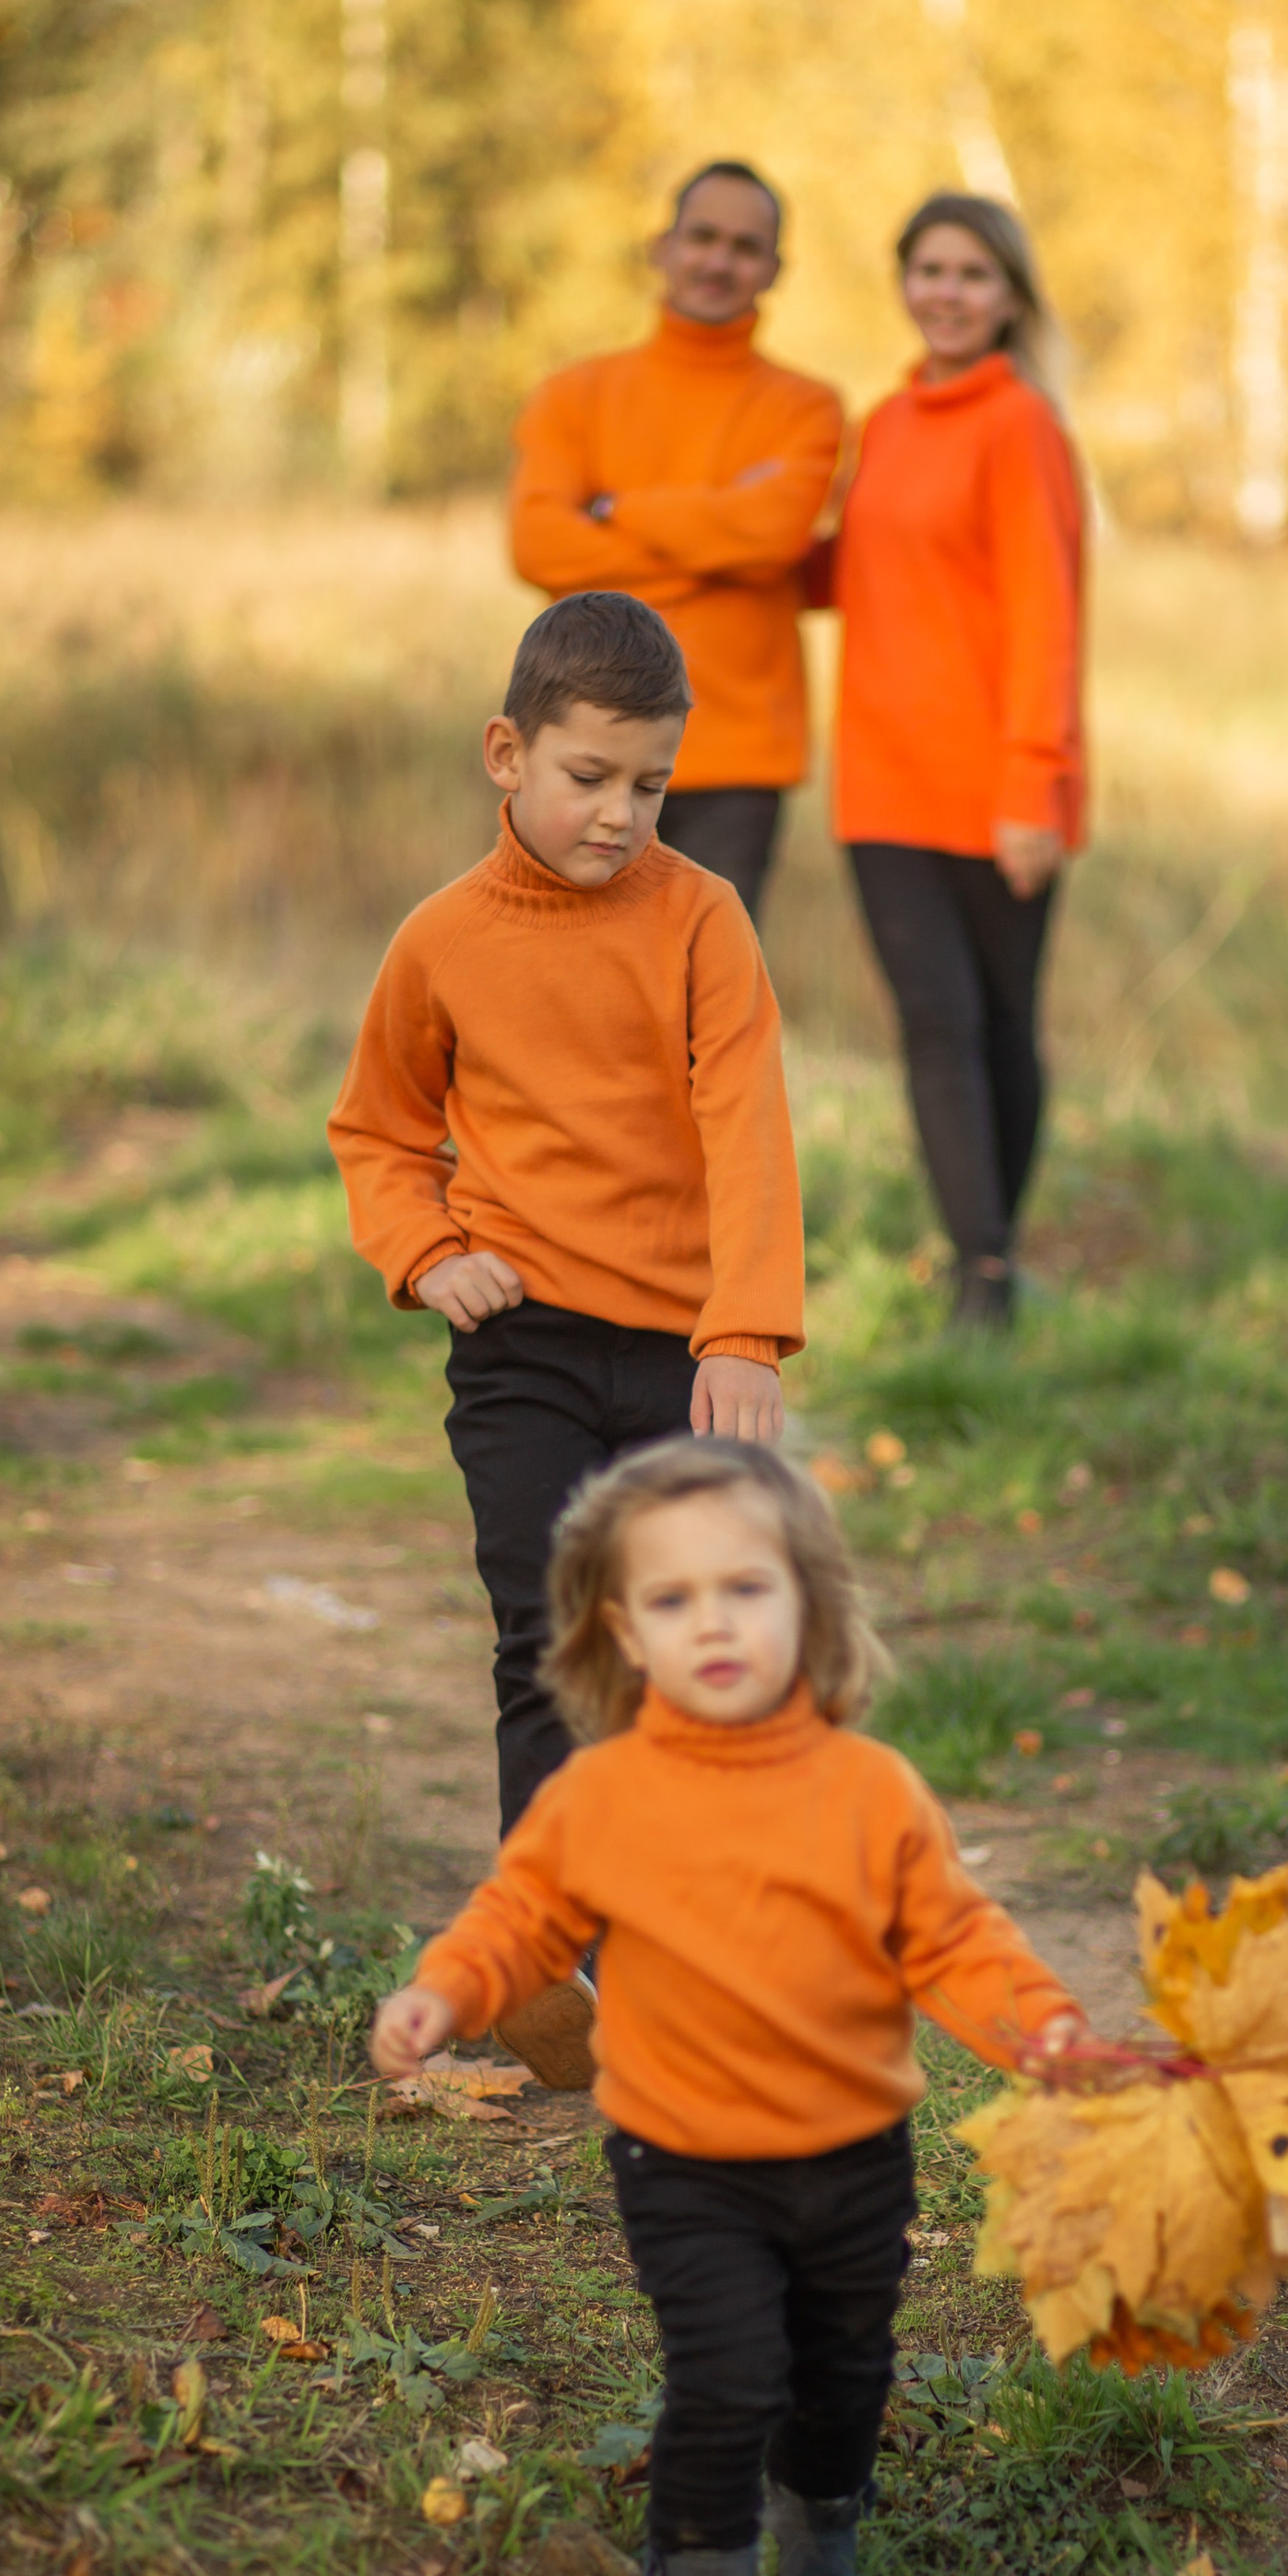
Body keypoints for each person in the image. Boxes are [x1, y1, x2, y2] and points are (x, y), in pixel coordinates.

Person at [369, 1438, 1086, 2576]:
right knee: (726, 2373)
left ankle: (824, 2544)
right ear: (626, 1634)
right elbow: (520, 1921)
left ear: (807, 1602)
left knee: (840, 2375)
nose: (714, 1622)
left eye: (745, 1589)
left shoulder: (871, 1793)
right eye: (673, 1597)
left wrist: (1049, 2041)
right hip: (685, 2157)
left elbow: (961, 1944)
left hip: (854, 2155)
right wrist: (448, 1989)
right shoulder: (605, 1795)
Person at [329, 592, 803, 2089]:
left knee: (682, 1654)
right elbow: (379, 1130)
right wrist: (428, 1253)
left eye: (650, 784)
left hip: (676, 1351)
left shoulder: (701, 920)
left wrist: (745, 1332)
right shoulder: (443, 943)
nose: (618, 815)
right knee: (544, 1639)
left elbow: (748, 1131)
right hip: (523, 1344)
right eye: (588, 777)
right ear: (506, 754)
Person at [829, 193, 1086, 1327]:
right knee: (934, 1023)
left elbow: (1047, 615)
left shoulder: (1020, 424)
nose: (947, 292)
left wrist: (1034, 781)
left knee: (998, 1027)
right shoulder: (883, 423)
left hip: (996, 788)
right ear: (903, 283)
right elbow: (850, 571)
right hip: (881, 782)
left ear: (1011, 300)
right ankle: (982, 1274)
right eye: (929, 270)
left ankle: (994, 1251)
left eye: (973, 275)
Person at [508, 163, 844, 928]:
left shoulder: (807, 409)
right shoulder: (574, 396)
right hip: (579, 747)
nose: (719, 262)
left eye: (745, 247)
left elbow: (771, 538)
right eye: (702, 238)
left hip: (735, 761)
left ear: (774, 269)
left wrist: (610, 509)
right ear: (662, 248)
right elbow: (538, 547)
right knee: (565, 1001)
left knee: (697, 1012)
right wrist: (718, 535)